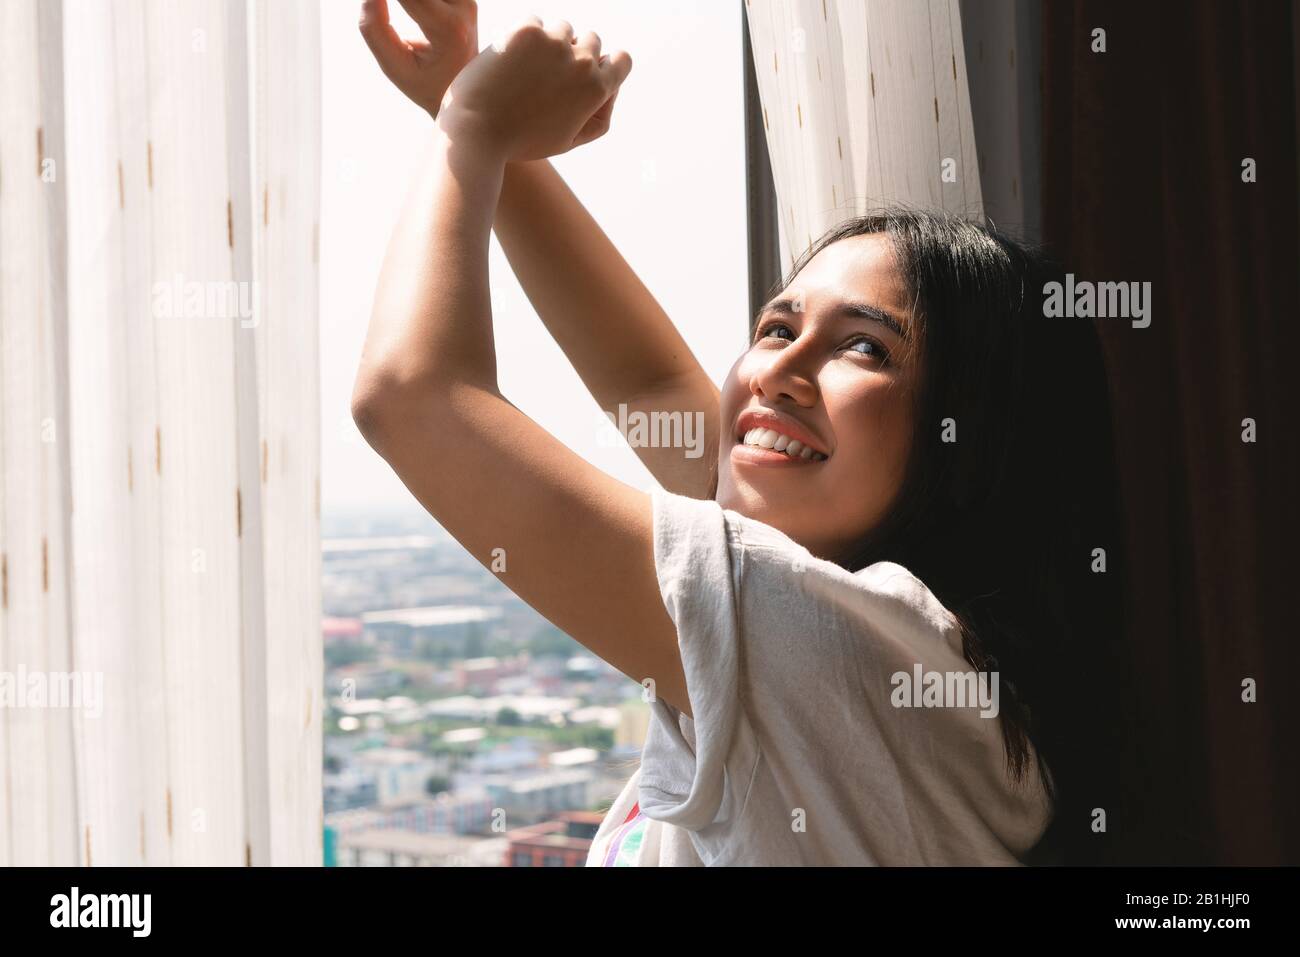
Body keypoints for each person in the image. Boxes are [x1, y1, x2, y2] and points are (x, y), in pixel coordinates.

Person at [355, 0, 1129, 866]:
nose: (778, 371)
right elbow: (645, 382)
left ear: (977, 441)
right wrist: (470, 107)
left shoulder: (837, 642)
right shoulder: (906, 661)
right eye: (775, 327)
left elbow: (413, 399)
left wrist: (472, 127)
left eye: (865, 346)